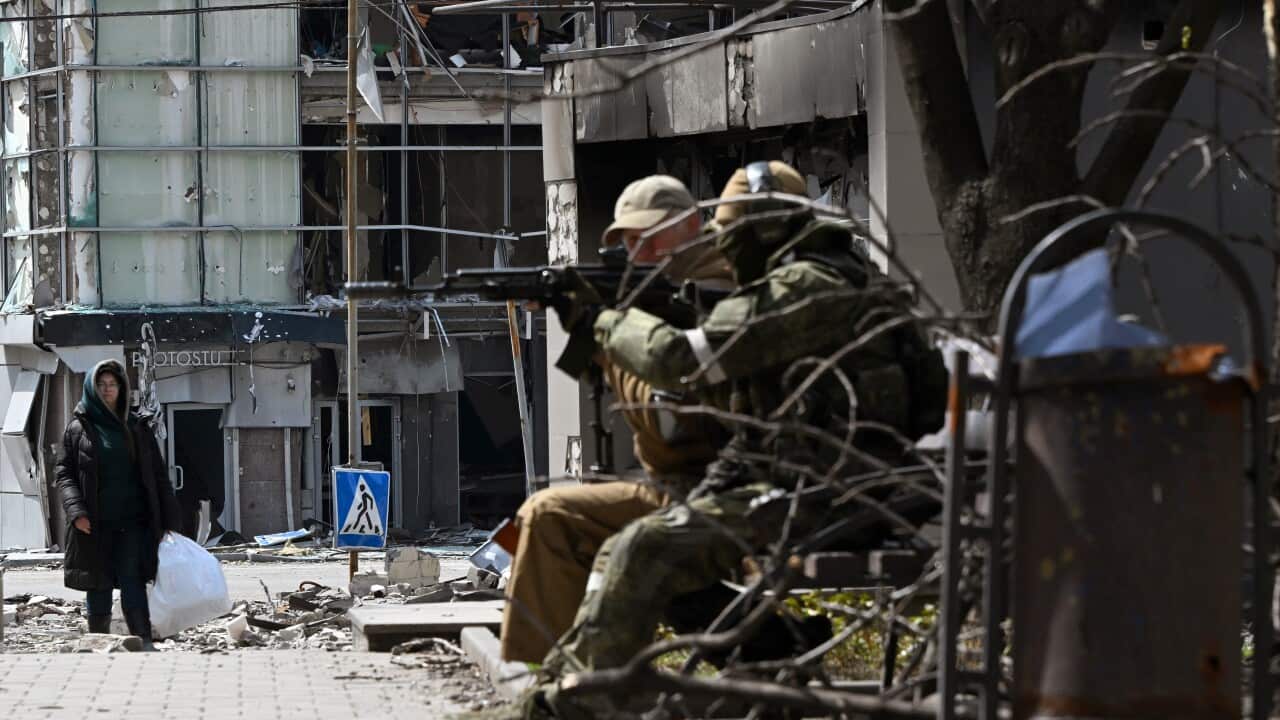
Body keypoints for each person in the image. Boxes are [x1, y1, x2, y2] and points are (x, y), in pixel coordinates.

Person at [526, 161, 947, 717]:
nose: (727, 246)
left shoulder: (805, 286)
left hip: (818, 497)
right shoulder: (848, 277)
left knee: (643, 548)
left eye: (735, 233)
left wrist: (604, 321)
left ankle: (574, 705)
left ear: (767, 229)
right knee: (645, 551)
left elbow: (678, 360)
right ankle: (774, 652)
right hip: (828, 486)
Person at [500, 174, 732, 664]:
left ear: (692, 224)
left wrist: (609, 335)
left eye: (647, 236)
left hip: (715, 488)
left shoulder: (719, 292)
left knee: (550, 516)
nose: (636, 251)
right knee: (542, 515)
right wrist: (590, 330)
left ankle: (553, 681)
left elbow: (670, 420)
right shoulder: (664, 291)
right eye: (627, 241)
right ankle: (545, 677)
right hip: (688, 484)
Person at [56, 359, 183, 649]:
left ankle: (143, 640)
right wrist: (76, 513)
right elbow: (64, 473)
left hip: (133, 522)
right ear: (91, 389)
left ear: (122, 388)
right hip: (94, 523)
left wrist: (170, 522)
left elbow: (158, 476)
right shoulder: (79, 428)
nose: (107, 389)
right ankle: (97, 640)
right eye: (101, 385)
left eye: (112, 384)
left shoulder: (136, 426)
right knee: (97, 583)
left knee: (133, 580)